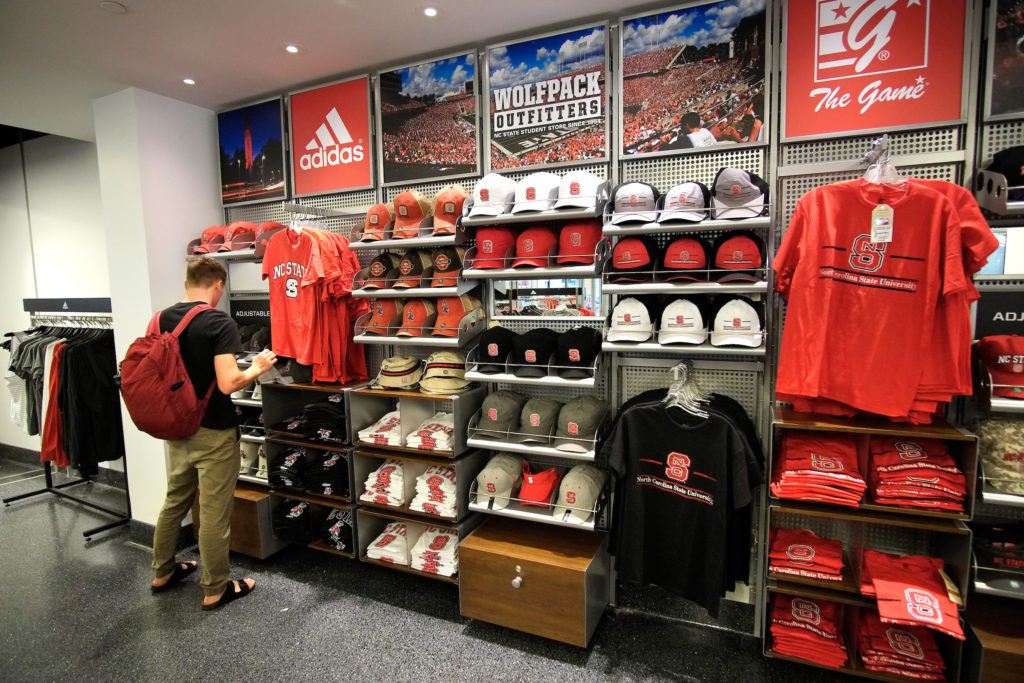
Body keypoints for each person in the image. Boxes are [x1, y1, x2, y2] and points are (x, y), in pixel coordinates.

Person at [149, 256, 277, 610]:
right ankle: (215, 588)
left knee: (174, 501)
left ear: (186, 282)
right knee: (214, 511)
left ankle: (162, 572)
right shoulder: (218, 321)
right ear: (219, 286)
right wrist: (258, 368)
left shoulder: (159, 319)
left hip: (176, 427)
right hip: (213, 430)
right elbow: (228, 382)